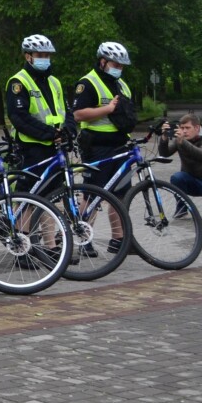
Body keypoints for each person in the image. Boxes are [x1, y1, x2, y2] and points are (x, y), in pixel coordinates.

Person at [71, 41, 137, 255]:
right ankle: (83, 239)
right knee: (92, 194)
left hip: (120, 146)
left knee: (120, 194)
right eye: (115, 64)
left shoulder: (122, 85)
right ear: (103, 61)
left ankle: (119, 240)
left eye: (121, 66)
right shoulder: (88, 82)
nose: (119, 68)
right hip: (96, 146)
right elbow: (78, 114)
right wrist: (106, 109)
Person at [5, 33, 73, 179]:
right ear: (28, 56)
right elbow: (19, 117)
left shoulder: (54, 82)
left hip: (56, 146)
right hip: (32, 147)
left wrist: (68, 132)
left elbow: (66, 111)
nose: (45, 59)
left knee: (56, 192)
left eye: (47, 55)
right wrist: (50, 133)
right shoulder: (18, 82)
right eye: (40, 55)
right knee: (30, 193)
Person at [157, 112, 202, 218]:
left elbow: (201, 154)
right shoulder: (180, 139)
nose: (184, 131)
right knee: (176, 177)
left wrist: (183, 142)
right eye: (182, 128)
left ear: (196, 127)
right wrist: (164, 138)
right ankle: (182, 207)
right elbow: (164, 154)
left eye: (187, 128)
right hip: (188, 177)